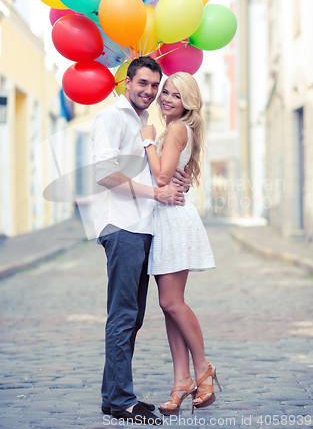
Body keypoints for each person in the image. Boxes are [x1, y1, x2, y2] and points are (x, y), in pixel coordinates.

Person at [90, 57, 190, 425]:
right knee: (123, 315)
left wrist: (174, 183)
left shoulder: (144, 123)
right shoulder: (111, 118)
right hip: (122, 226)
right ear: (127, 83)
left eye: (154, 86)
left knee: (132, 319)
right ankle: (123, 401)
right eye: (142, 84)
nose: (149, 91)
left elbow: (156, 173)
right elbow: (103, 173)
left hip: (144, 227)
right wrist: (154, 193)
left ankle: (112, 396)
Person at [140, 72, 221, 417]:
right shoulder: (175, 130)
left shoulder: (174, 129)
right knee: (168, 305)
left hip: (172, 220)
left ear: (188, 101)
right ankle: (181, 381)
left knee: (172, 302)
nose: (166, 98)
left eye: (175, 95)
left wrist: (147, 142)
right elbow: (170, 177)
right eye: (165, 92)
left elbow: (160, 177)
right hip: (167, 216)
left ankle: (202, 368)